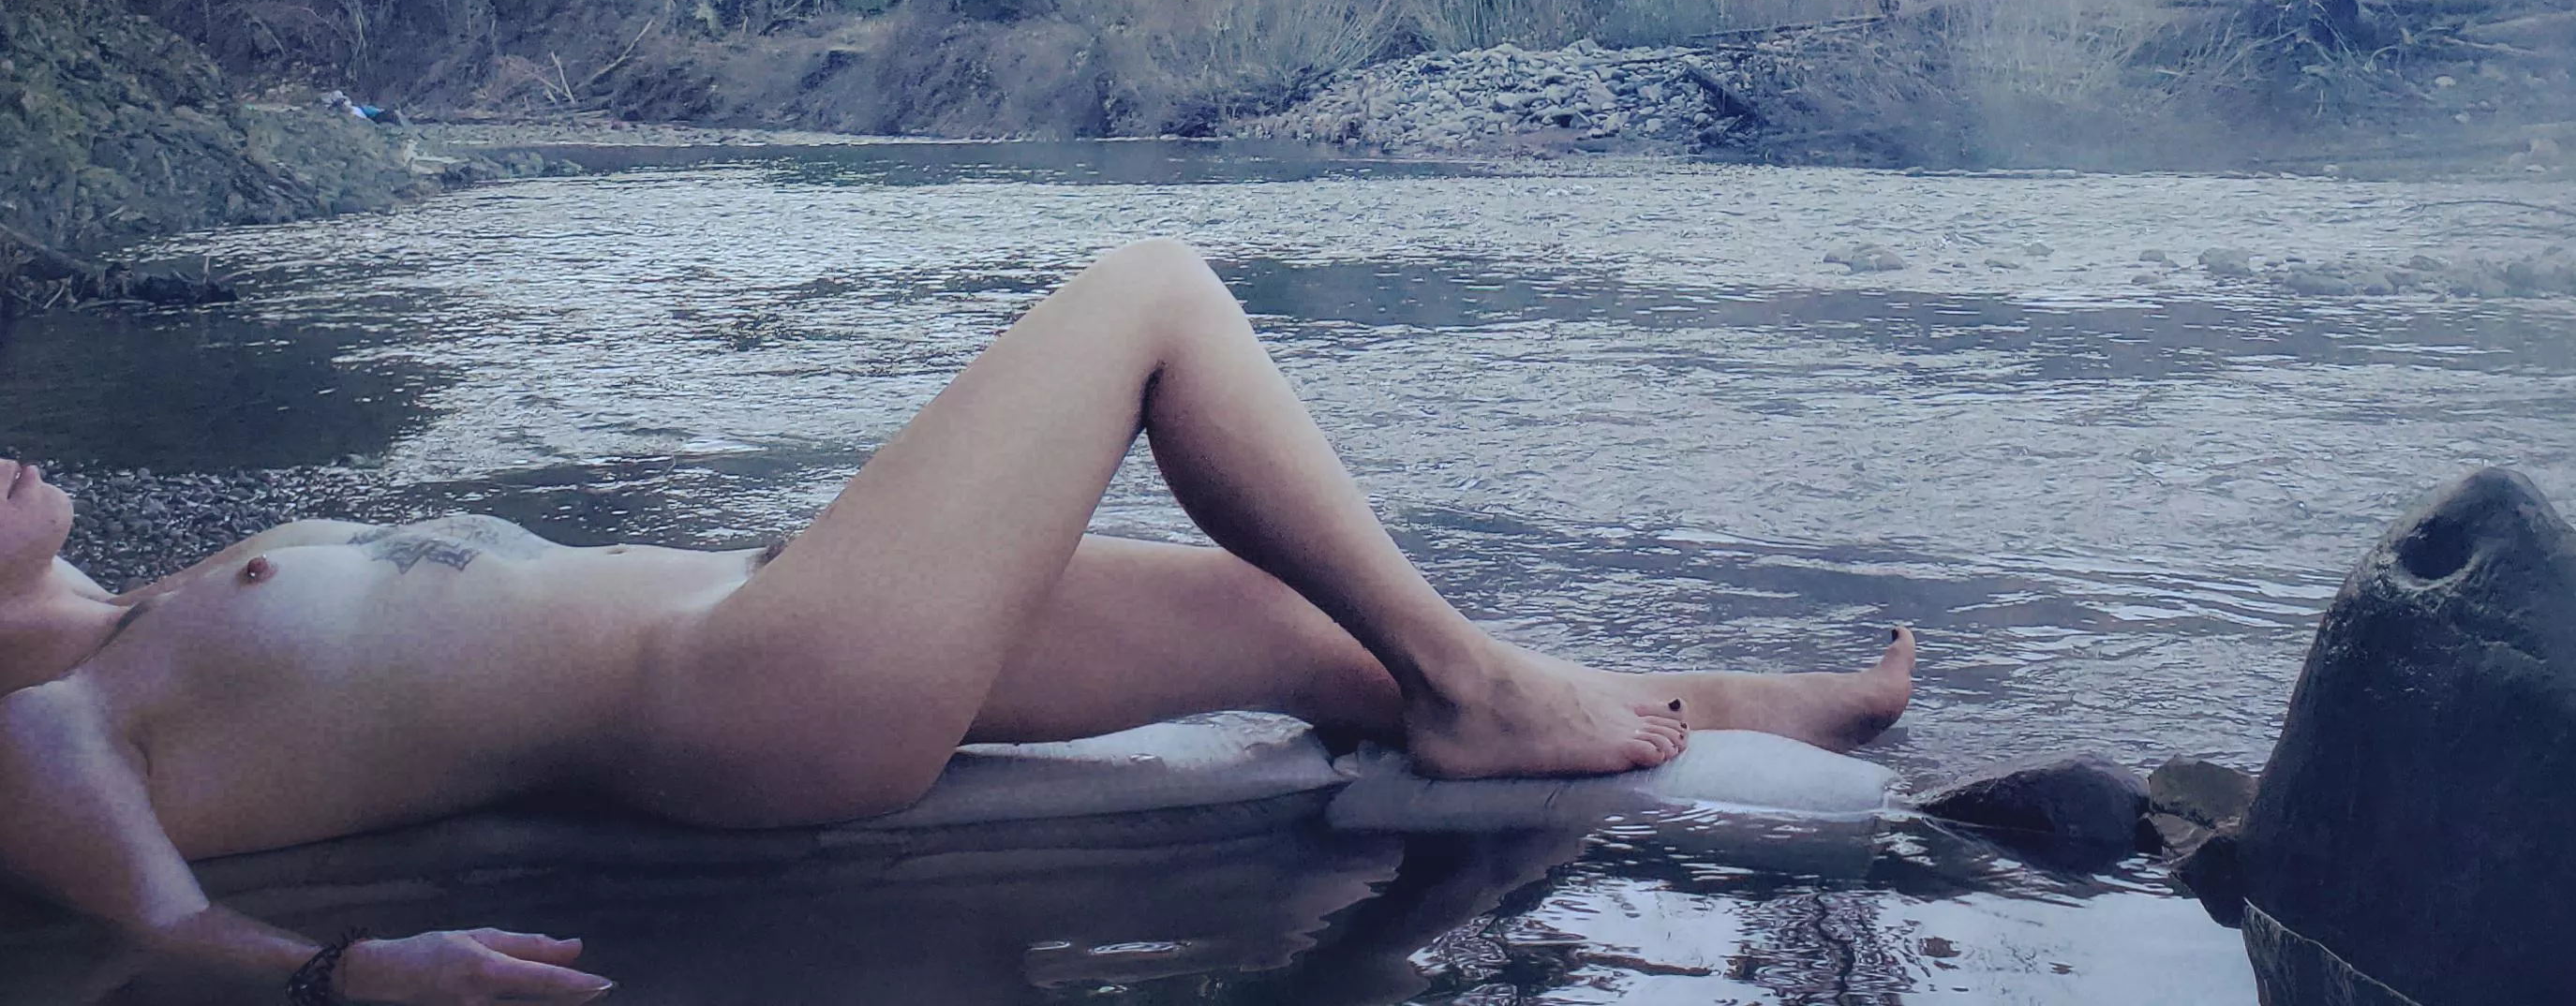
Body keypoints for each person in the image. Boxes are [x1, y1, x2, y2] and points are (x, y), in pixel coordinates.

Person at [0, 238, 1915, 1002]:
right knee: (1153, 294)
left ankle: (1710, 706)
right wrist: (347, 983)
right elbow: (155, 929)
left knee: (1287, 622)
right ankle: (1498, 697)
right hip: (752, 699)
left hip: (765, 627)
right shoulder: (49, 717)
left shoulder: (150, 602)